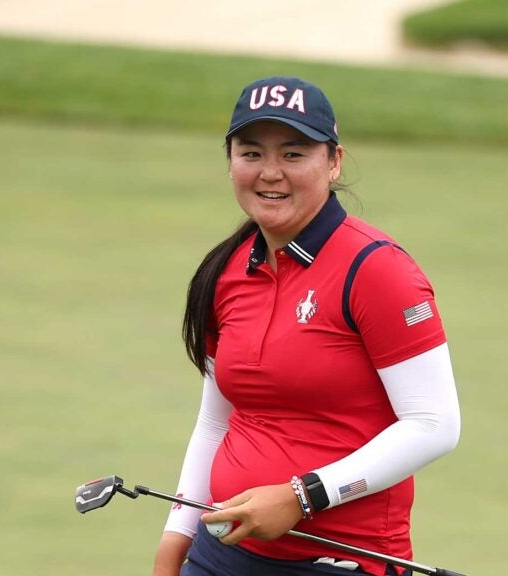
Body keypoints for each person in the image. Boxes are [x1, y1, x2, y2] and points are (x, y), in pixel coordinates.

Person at [151, 76, 461, 576]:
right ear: (229, 161)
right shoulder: (225, 270)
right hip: (219, 555)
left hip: (341, 562)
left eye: (294, 154)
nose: (270, 172)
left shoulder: (378, 270)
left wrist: (303, 496)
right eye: (251, 153)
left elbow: (434, 425)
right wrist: (176, 539)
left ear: (334, 161)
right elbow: (216, 420)